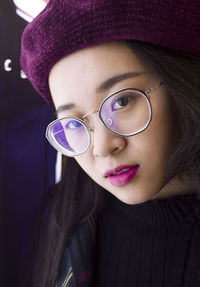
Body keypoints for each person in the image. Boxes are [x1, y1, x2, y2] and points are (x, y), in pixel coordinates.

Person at [20, 0, 200, 286]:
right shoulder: (65, 222)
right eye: (74, 122)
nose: (102, 147)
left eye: (122, 101)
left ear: (180, 82)